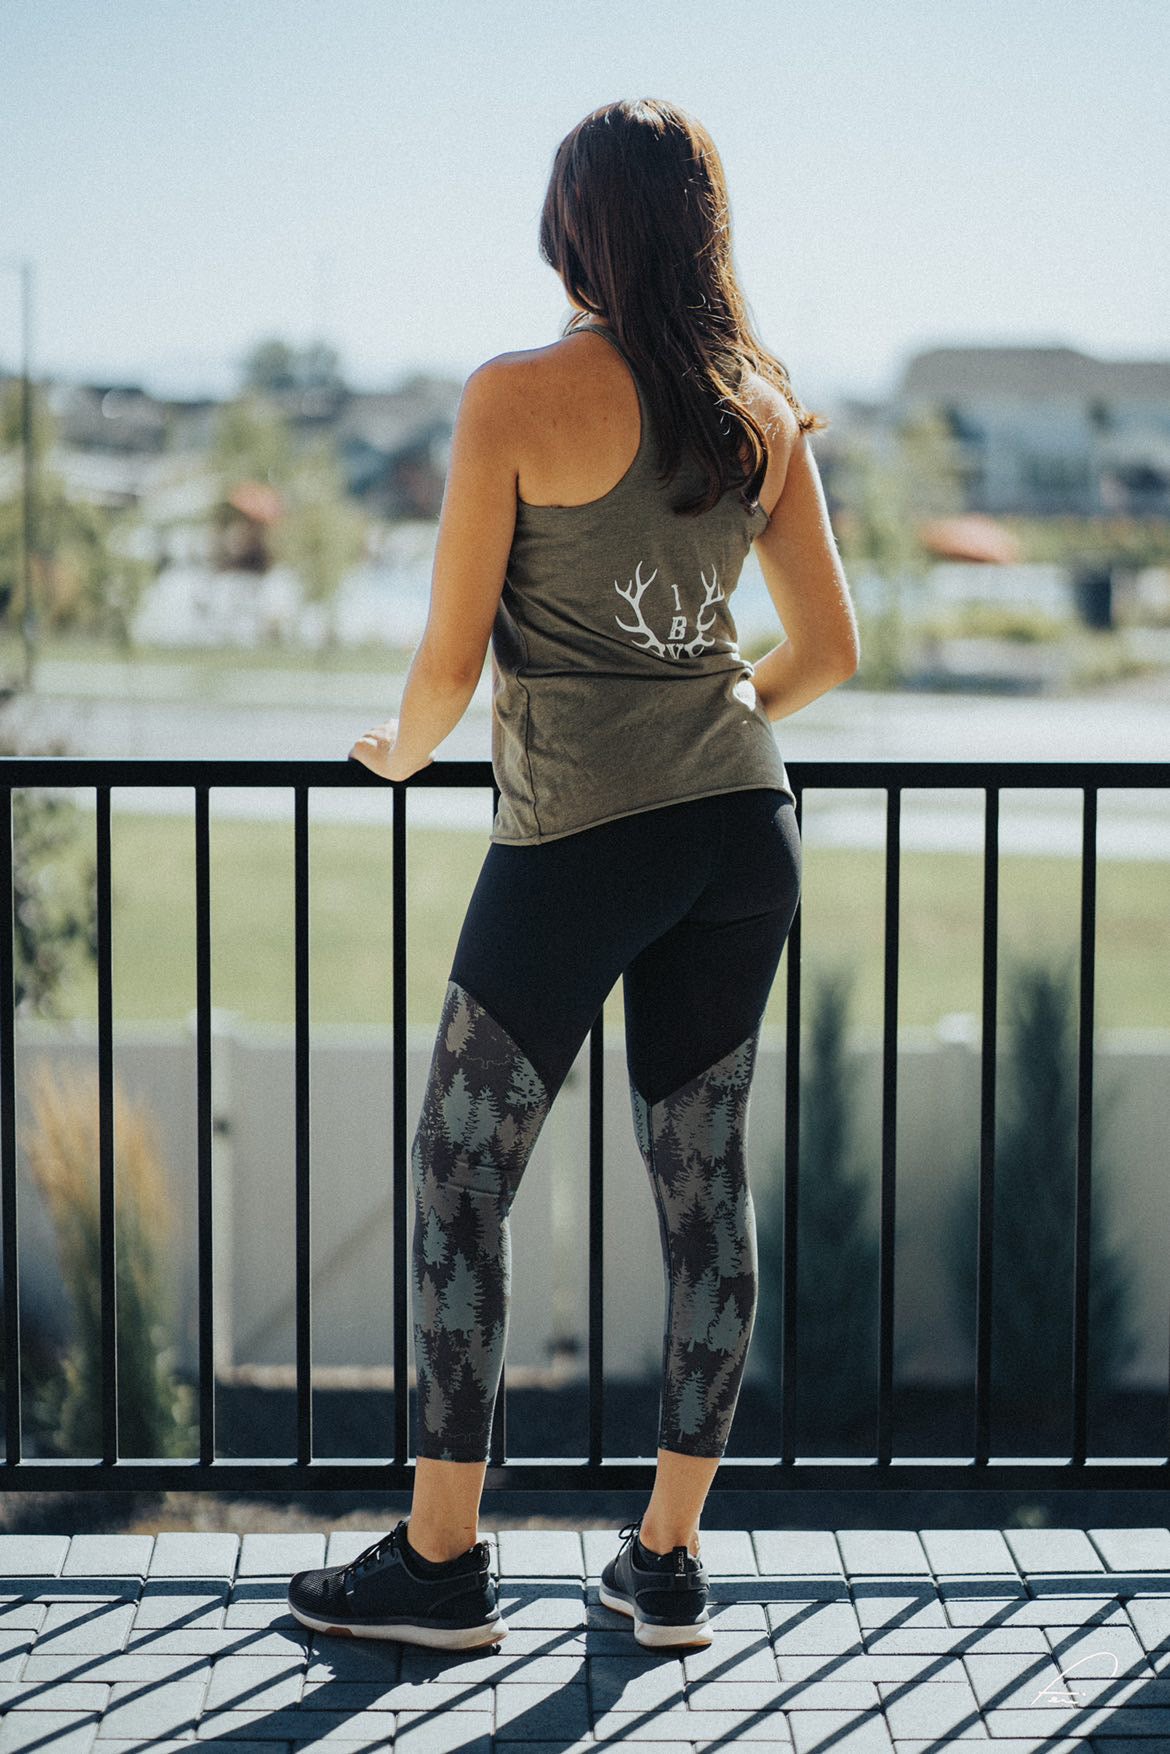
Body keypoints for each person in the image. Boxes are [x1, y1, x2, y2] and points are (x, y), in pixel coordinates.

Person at [288, 96, 859, 1652]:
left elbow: (445, 662)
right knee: (703, 1196)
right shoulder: (759, 408)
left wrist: (400, 755)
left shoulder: (511, 398)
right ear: (701, 228)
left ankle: (443, 1561)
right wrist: (713, 710)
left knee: (459, 1178)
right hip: (742, 837)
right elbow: (827, 651)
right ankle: (664, 1562)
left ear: (572, 228)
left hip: (571, 848)